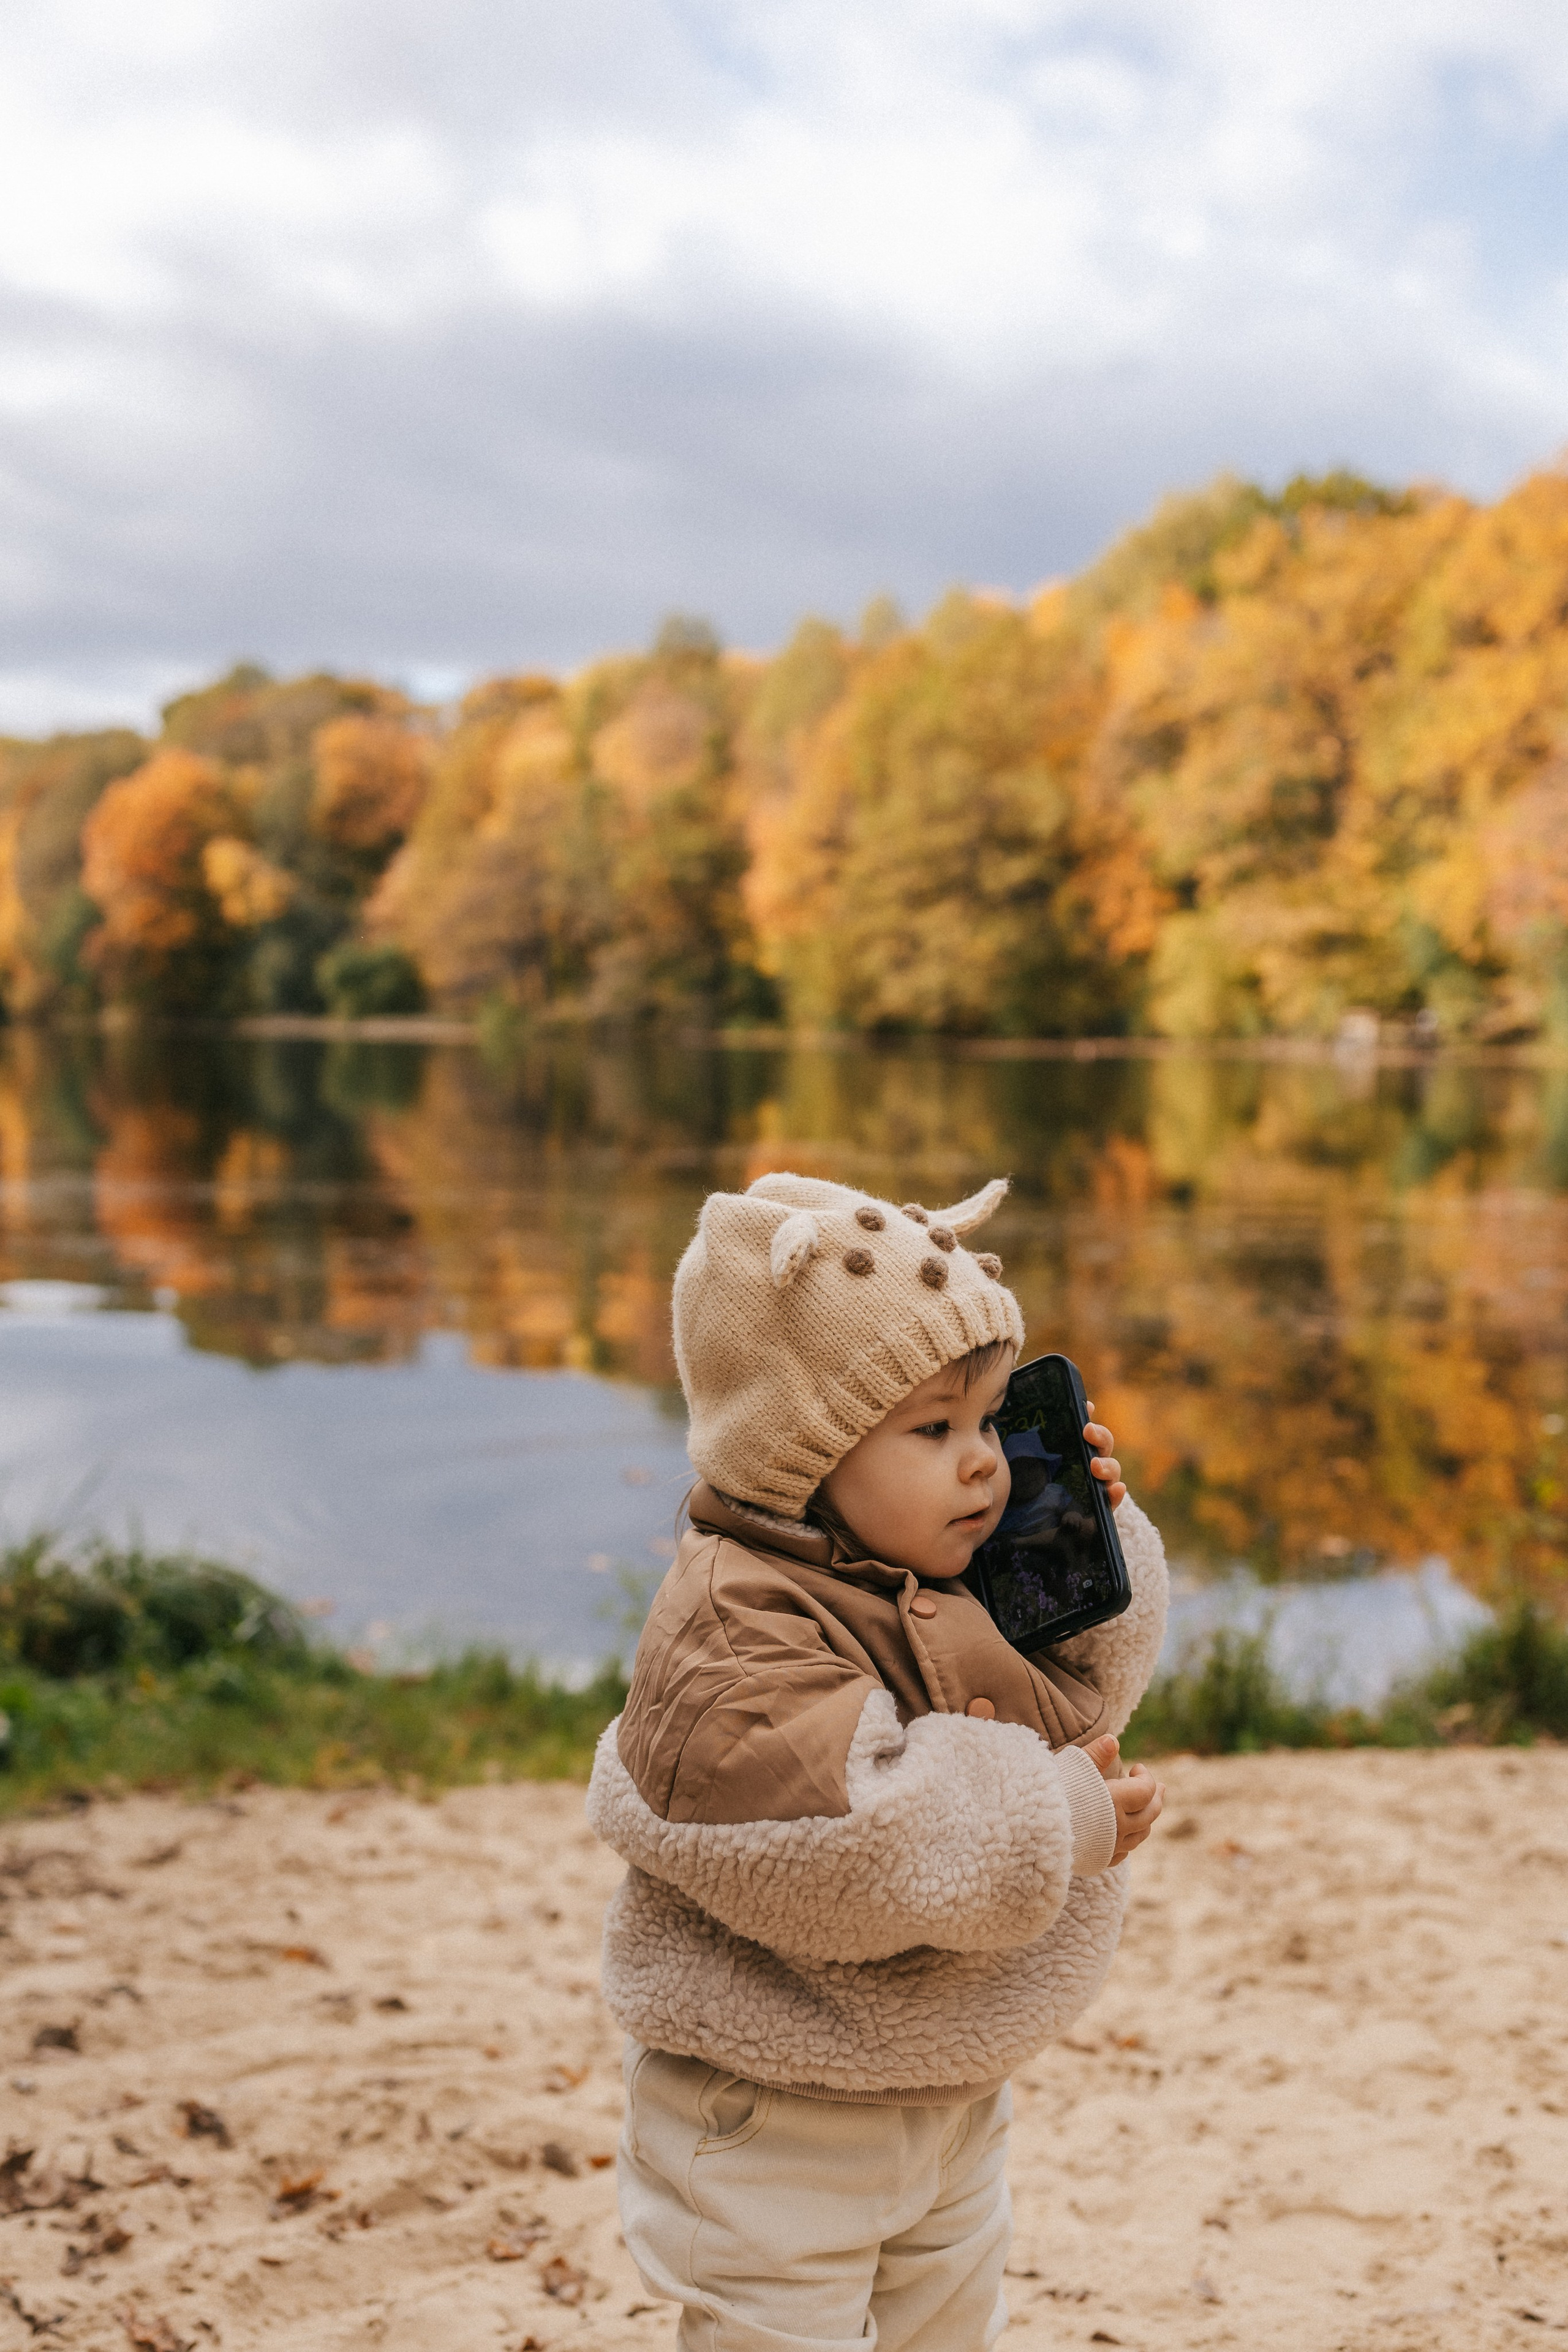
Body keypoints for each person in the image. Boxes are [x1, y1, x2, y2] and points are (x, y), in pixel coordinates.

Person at [587, 1171, 1168, 2351]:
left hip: (943, 2090)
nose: (985, 1464)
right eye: (934, 1430)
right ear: (805, 1450)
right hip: (779, 2116)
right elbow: (865, 1841)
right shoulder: (735, 1633)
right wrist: (1057, 1818)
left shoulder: (932, 1557)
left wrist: (1088, 1543)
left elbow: (1084, 1701)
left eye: (993, 1419)